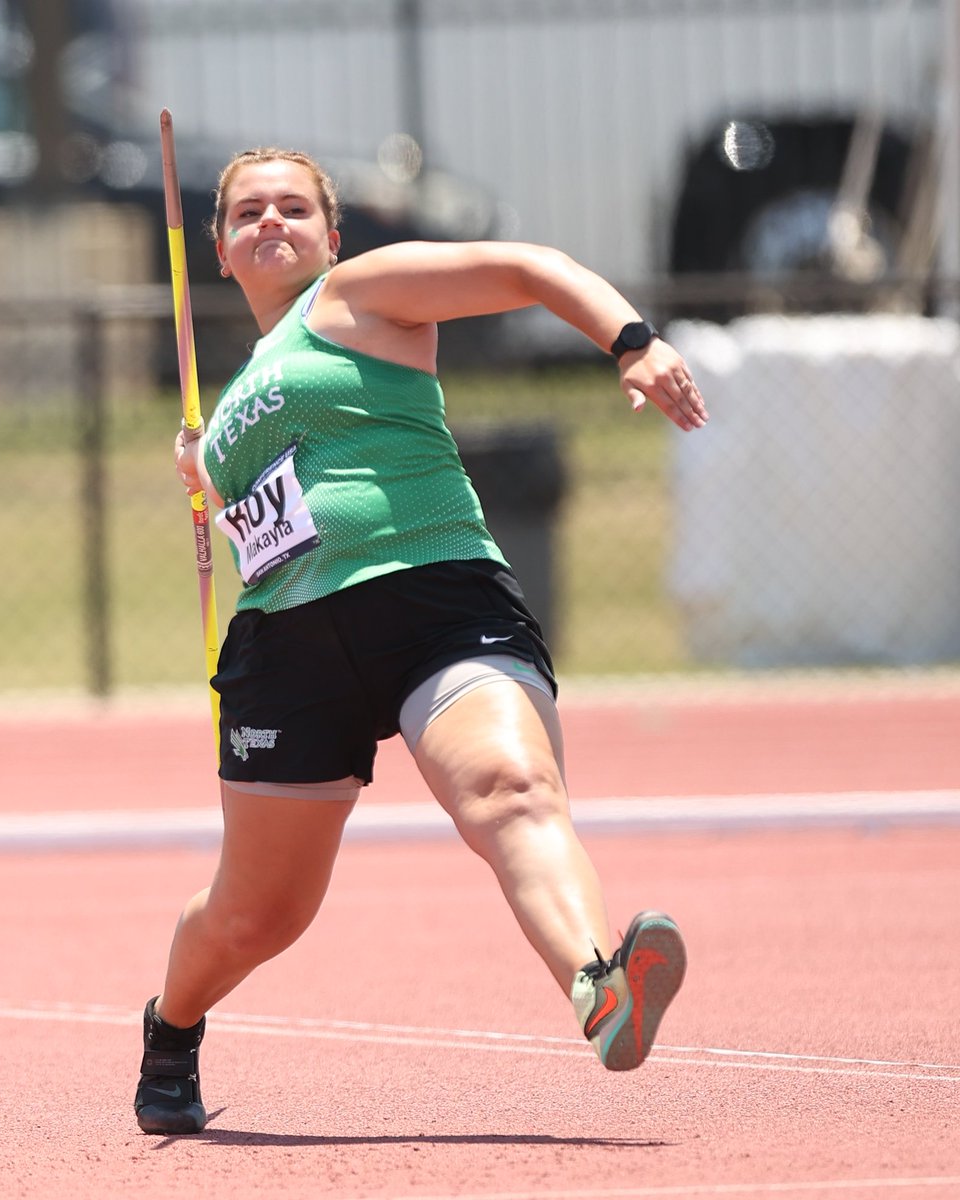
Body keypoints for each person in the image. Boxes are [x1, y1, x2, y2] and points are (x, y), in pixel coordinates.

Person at [135, 147, 707, 1135]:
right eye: (247, 215)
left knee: (513, 792)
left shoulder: (358, 297)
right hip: (287, 648)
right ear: (221, 250)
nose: (271, 223)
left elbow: (527, 267)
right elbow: (263, 516)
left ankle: (598, 982)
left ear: (330, 235)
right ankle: (171, 1026)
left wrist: (631, 341)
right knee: (258, 916)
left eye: (294, 209)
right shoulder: (225, 402)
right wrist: (203, 472)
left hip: (435, 597)